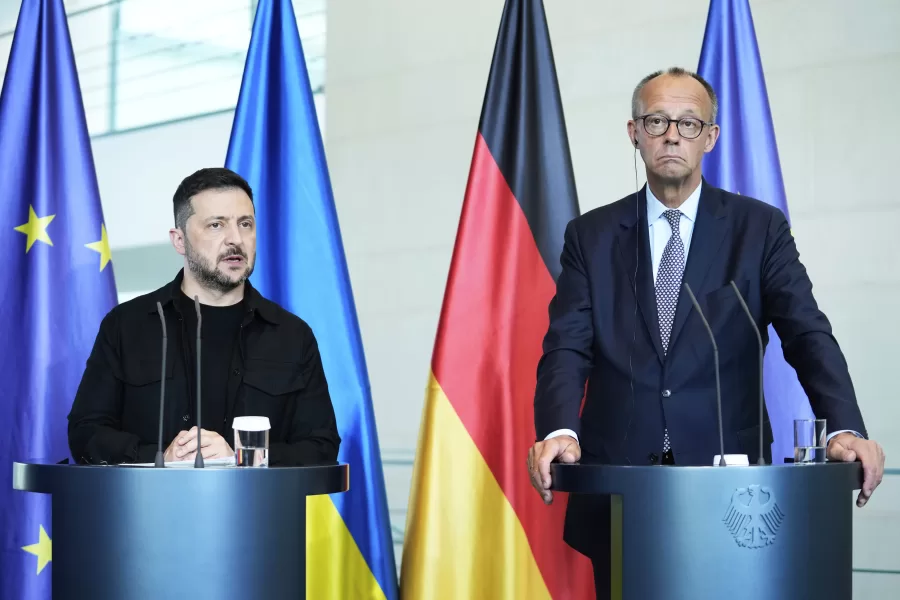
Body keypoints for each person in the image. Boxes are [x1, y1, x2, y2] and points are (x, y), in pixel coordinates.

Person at [526, 67, 885, 596]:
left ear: (710, 138)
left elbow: (807, 332)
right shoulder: (591, 236)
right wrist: (559, 430)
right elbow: (566, 346)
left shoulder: (759, 229)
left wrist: (844, 429)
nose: (673, 134)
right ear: (635, 133)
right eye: (657, 120)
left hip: (731, 492)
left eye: (689, 123)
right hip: (624, 492)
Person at [68, 167, 341, 466]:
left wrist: (243, 457)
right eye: (216, 225)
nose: (235, 239)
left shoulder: (292, 335)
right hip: (148, 509)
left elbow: (321, 446)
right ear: (179, 240)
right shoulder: (126, 325)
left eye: (245, 224)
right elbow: (86, 432)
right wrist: (158, 457)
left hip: (259, 510)